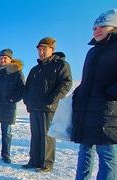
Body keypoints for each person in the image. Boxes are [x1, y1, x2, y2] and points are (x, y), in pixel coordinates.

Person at [68, 9, 117, 180]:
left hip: (109, 109)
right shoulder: (93, 50)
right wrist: (79, 94)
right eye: (94, 27)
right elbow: (89, 80)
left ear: (115, 26)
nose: (96, 30)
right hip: (88, 107)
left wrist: (113, 93)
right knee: (84, 148)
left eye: (102, 26)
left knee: (106, 151)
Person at [22, 37, 72, 172]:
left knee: (47, 136)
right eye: (39, 49)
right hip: (34, 107)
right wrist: (27, 100)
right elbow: (27, 87)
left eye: (44, 49)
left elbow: (66, 83)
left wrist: (52, 99)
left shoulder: (61, 65)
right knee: (35, 134)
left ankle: (46, 163)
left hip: (49, 107)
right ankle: (33, 160)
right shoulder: (35, 69)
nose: (41, 52)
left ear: (52, 49)